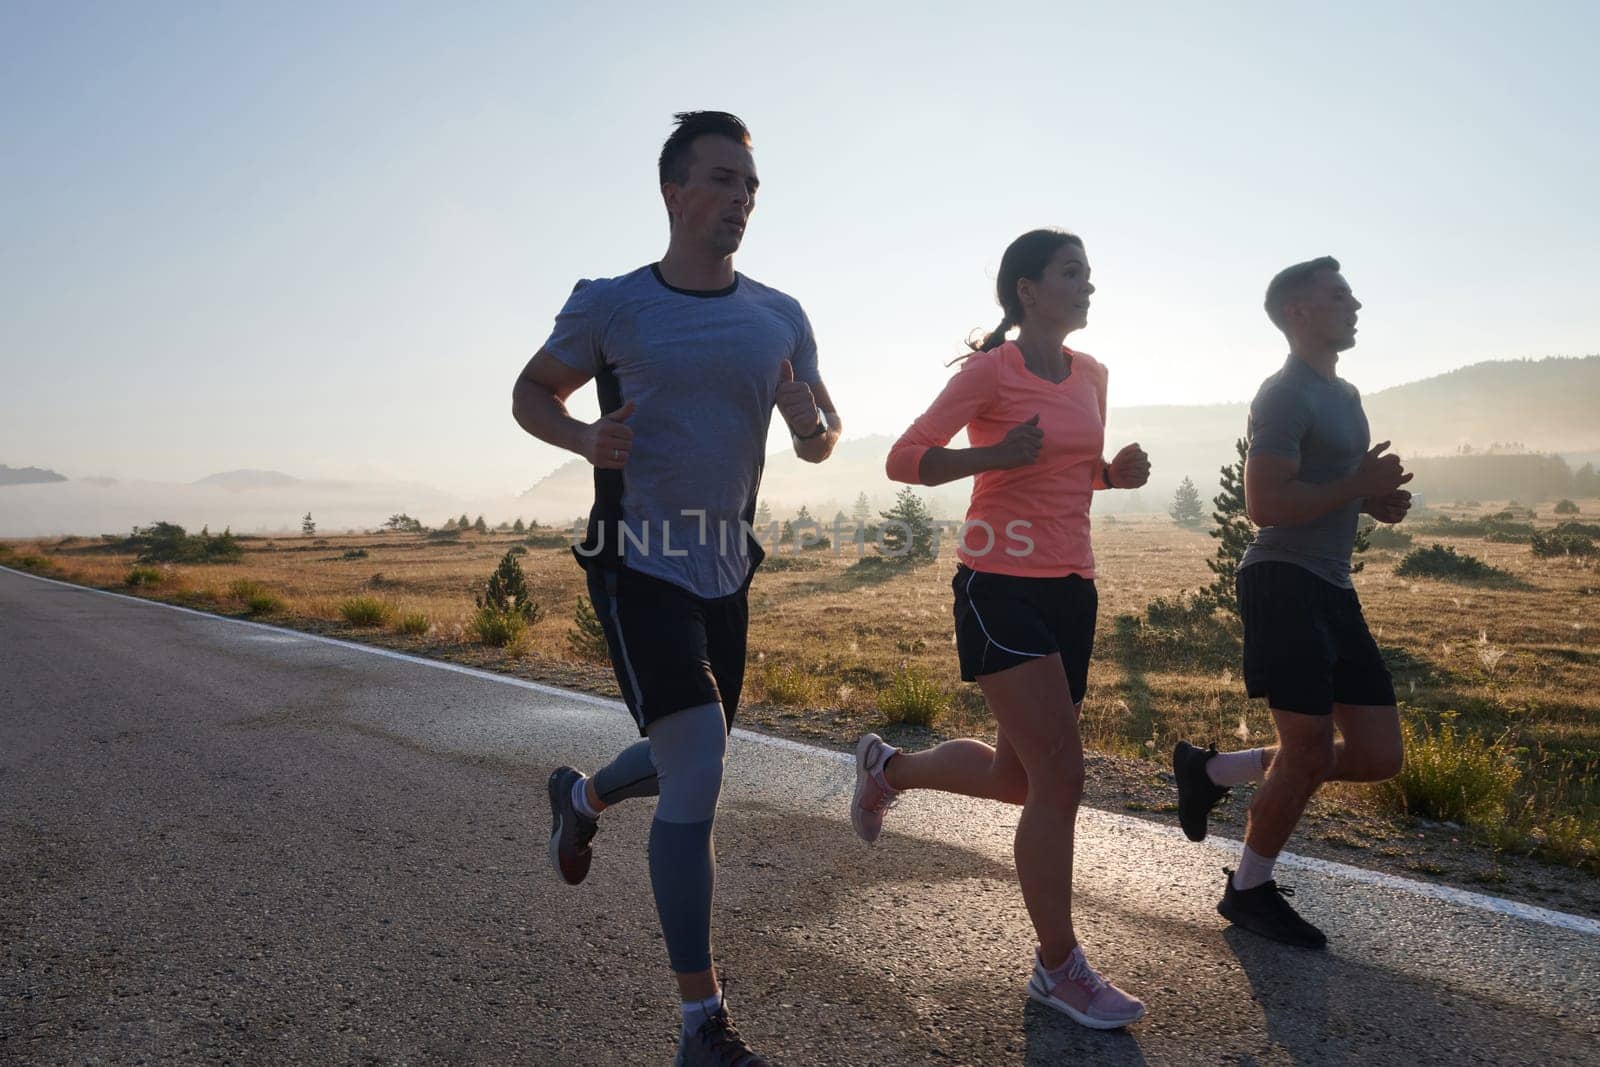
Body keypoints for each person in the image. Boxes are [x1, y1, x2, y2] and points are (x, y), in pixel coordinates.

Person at [512, 110, 840, 1066]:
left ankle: (581, 796)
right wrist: (581, 438)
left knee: (693, 752)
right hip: (636, 558)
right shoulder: (615, 305)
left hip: (725, 565)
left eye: (750, 186)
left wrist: (805, 419)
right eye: (723, 180)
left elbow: (821, 436)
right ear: (674, 192)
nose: (740, 199)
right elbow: (533, 391)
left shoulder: (780, 314)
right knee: (696, 759)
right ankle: (703, 1022)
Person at [853, 228, 1150, 1030]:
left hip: (1070, 588)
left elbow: (1071, 468)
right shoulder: (993, 371)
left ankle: (890, 768)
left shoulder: (1092, 373)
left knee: (1022, 780)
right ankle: (1058, 969)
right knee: (1063, 781)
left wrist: (1110, 473)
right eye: (1071, 273)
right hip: (998, 584)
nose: (1088, 285)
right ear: (1027, 288)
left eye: (1089, 273)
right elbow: (904, 458)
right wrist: (992, 458)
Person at [1172, 256, 1411, 949]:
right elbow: (1264, 503)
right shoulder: (1283, 394)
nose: (1356, 303)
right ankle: (1249, 889)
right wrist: (1354, 484)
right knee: (1305, 752)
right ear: (1296, 311)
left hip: (1332, 583)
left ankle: (1209, 770)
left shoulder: (1349, 395)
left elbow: (1328, 486)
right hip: (1282, 581)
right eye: (1339, 294)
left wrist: (1374, 499)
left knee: (1377, 752)